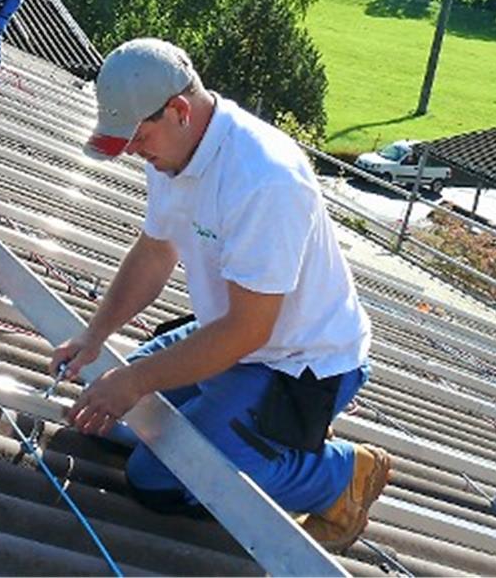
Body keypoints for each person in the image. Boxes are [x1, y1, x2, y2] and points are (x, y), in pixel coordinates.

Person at [51, 38, 391, 552]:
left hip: (293, 361)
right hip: (229, 332)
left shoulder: (264, 179)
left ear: (179, 110)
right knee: (112, 419)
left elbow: (250, 330)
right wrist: (94, 336)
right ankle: (244, 434)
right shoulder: (171, 153)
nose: (135, 151)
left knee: (158, 479)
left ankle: (339, 476)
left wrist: (136, 380)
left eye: (139, 137)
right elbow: (154, 253)